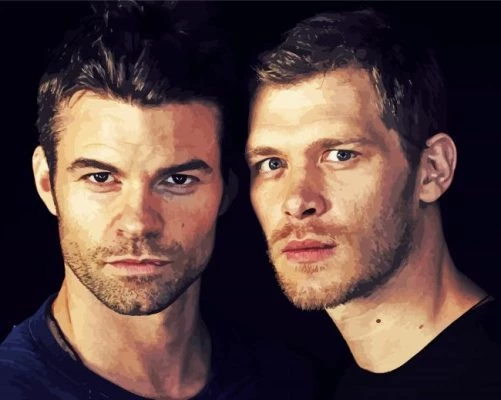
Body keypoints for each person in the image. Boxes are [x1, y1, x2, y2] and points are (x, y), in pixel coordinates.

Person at [0, 2, 320, 399]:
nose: (138, 222)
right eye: (101, 178)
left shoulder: (288, 381)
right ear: (47, 183)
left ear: (226, 190)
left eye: (177, 180)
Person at [246, 7, 501, 399]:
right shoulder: (329, 385)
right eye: (272, 163)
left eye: (340, 155)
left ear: (432, 170)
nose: (296, 201)